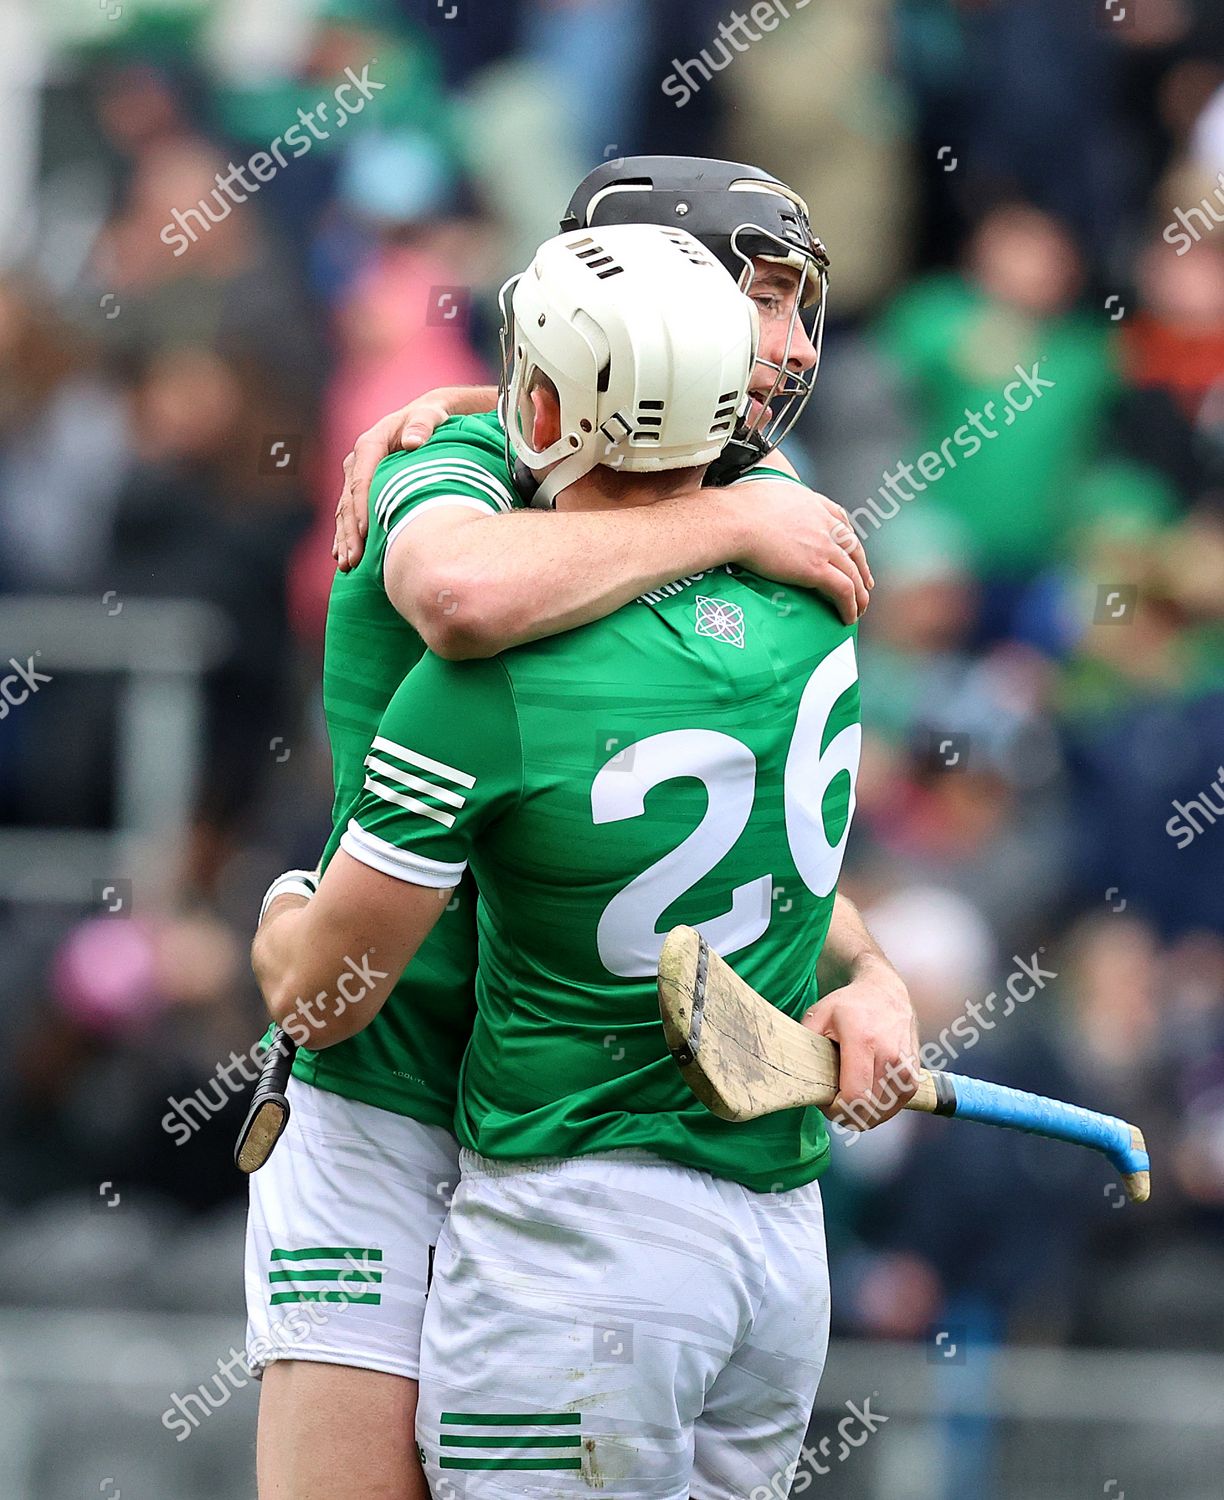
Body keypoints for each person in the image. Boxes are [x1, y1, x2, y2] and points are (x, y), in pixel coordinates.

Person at [244, 156, 915, 1500]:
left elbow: (717, 840)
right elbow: (457, 591)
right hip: (385, 1089)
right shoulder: (466, 457)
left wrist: (874, 977)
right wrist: (733, 515)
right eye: (762, 301)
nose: (789, 348)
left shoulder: (745, 509)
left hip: (566, 1145)